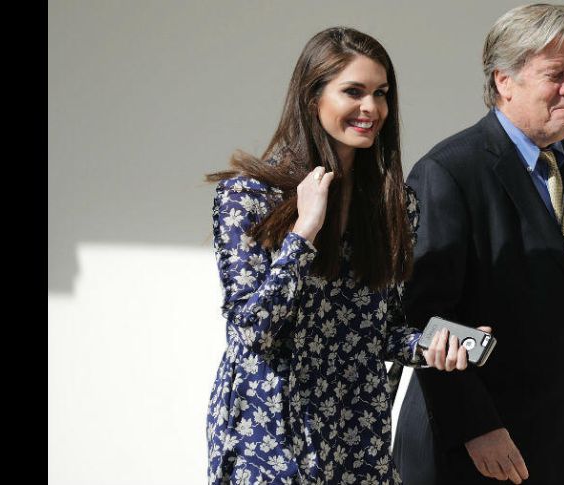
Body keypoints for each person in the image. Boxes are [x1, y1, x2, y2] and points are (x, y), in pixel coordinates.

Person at [204, 27, 481, 485]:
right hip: (270, 428)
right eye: (353, 91)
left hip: (358, 428)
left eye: (381, 93)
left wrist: (436, 347)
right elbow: (252, 329)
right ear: (312, 98)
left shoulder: (394, 204)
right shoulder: (248, 197)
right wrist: (303, 231)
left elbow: (377, 333)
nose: (371, 108)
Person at [392, 4, 564, 485]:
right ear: (504, 81)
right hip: (486, 452)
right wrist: (478, 426)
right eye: (556, 74)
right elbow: (425, 320)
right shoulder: (450, 172)